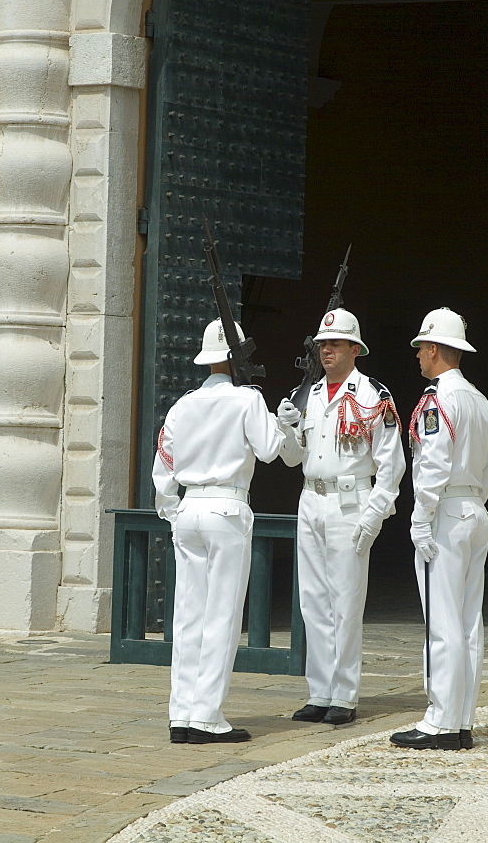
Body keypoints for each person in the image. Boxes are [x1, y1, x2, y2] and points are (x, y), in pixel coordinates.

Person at [153, 319, 284, 745]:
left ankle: (181, 714)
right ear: (236, 357)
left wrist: (173, 510)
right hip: (227, 507)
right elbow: (268, 450)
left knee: (188, 615)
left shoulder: (182, 405)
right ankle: (206, 716)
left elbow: (164, 467)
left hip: (188, 508)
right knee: (222, 615)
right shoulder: (247, 399)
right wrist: (279, 419)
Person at [277, 308, 406, 725]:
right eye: (321, 344)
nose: (325, 350)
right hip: (310, 500)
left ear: (355, 348)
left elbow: (392, 466)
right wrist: (284, 429)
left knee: (345, 602)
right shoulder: (310, 395)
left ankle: (345, 696)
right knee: (313, 601)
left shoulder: (374, 396)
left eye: (333, 344)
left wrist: (376, 514)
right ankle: (320, 691)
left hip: (350, 503)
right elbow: (294, 458)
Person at [390, 308, 488, 751]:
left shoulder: (438, 400)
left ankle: (440, 720)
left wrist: (419, 518)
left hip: (446, 514)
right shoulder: (479, 400)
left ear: (433, 349)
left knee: (442, 617)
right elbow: (486, 469)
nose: (417, 357)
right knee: (469, 620)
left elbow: (431, 465)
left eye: (420, 349)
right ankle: (461, 718)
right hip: (475, 507)